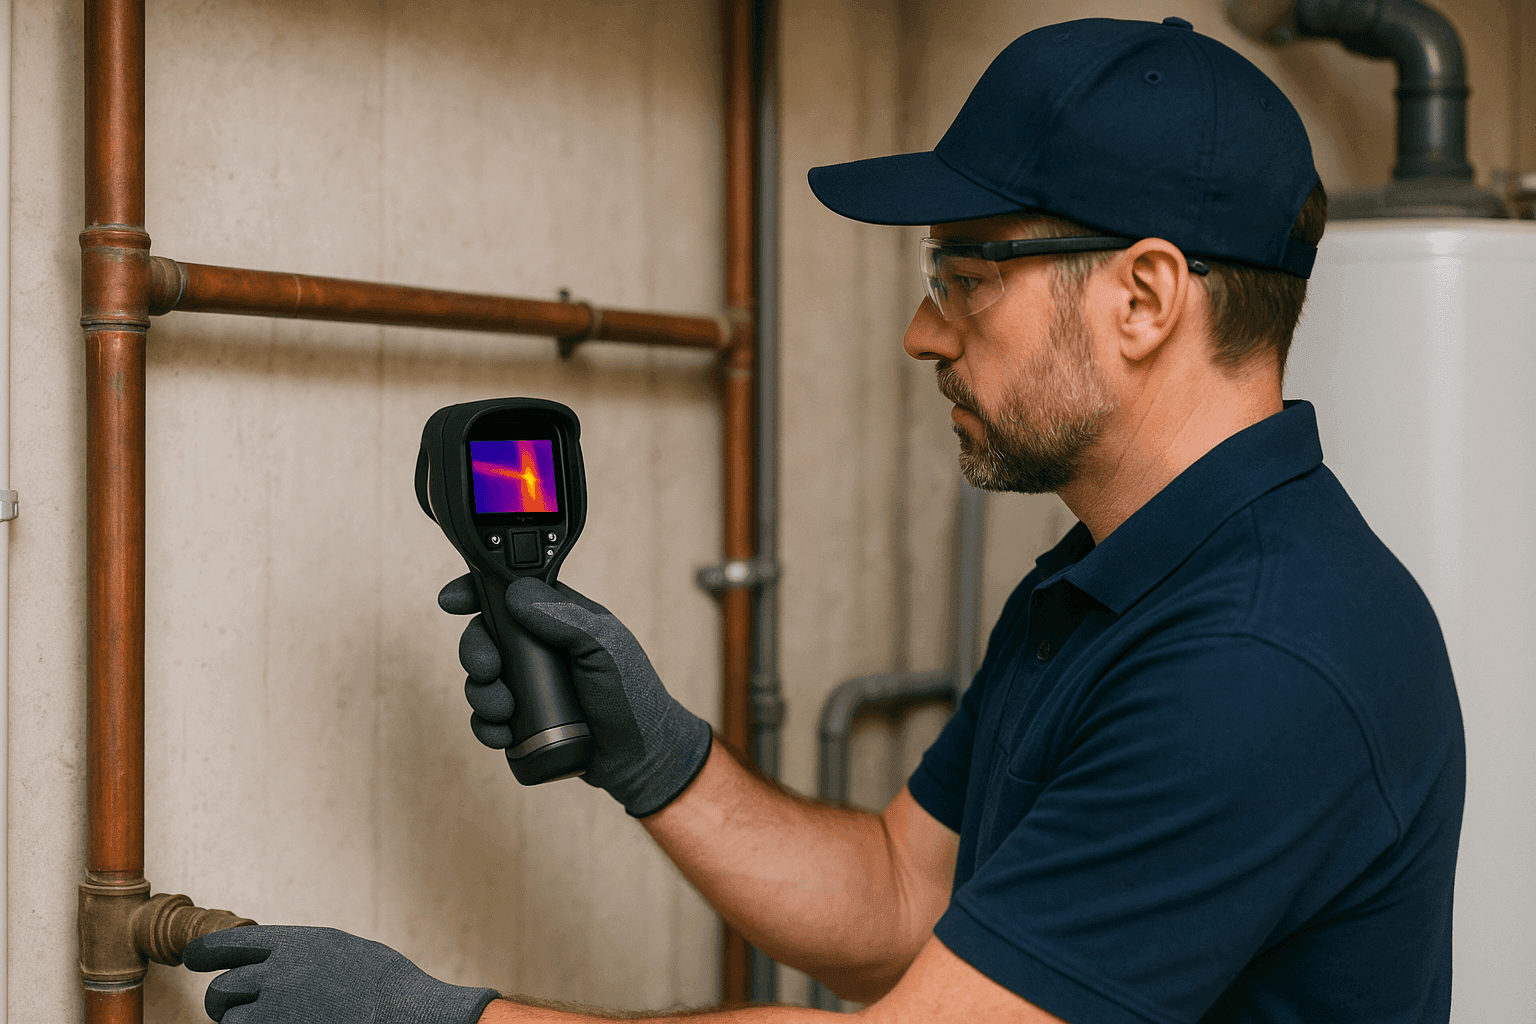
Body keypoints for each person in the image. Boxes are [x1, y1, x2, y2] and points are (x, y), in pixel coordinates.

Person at [184, 16, 1465, 1024]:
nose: (923, 332)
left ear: (1142, 298)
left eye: (966, 276)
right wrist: (662, 758)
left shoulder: (1261, 660)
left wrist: (439, 1021)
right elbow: (906, 899)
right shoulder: (1106, 581)